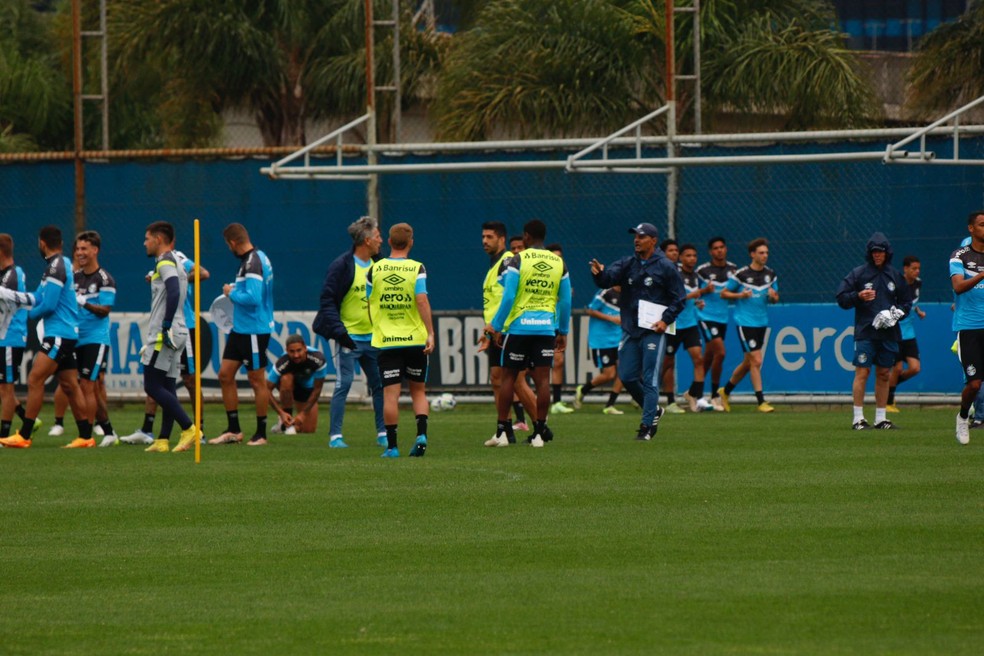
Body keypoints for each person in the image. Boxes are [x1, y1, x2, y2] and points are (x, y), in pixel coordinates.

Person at [590, 222, 686, 441]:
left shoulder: (666, 266)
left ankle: (646, 427)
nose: (636, 240)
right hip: (631, 329)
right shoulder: (627, 263)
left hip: (653, 329)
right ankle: (654, 410)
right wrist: (599, 273)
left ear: (653, 241)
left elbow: (679, 298)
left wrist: (665, 320)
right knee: (626, 376)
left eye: (642, 236)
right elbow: (608, 279)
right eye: (635, 236)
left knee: (650, 378)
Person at [0, 226, 92, 448]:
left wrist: (30, 314)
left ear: (42, 243)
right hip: (64, 332)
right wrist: (13, 296)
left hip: (59, 333)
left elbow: (48, 304)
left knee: (35, 379)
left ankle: (25, 435)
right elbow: (38, 297)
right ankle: (85, 437)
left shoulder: (56, 266)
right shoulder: (57, 265)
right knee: (70, 384)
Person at [485, 219, 571, 447]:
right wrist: (562, 330)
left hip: (519, 327)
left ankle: (502, 432)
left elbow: (509, 296)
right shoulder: (558, 262)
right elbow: (566, 300)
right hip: (545, 328)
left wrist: (497, 325)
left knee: (509, 378)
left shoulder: (518, 259)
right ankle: (540, 433)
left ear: (526, 237)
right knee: (543, 381)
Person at [312, 216, 387, 449]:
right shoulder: (342, 266)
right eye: (377, 236)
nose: (381, 240)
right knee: (343, 384)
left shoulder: (380, 265)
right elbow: (327, 300)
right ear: (367, 240)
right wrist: (340, 333)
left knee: (380, 385)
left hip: (375, 338)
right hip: (350, 338)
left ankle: (383, 432)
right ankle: (335, 436)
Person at [121, 252, 209, 445]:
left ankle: (197, 429)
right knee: (160, 380)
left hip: (182, 325)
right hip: (166, 326)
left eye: (148, 239)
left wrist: (176, 278)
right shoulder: (161, 261)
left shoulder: (177, 257)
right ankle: (150, 430)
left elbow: (203, 273)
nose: (145, 243)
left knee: (188, 380)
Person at [367, 222, 435, 457]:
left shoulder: (374, 269)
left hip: (387, 341)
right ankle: (421, 434)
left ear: (388, 242)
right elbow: (421, 300)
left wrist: (377, 327)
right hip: (415, 339)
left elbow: (370, 304)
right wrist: (430, 333)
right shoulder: (417, 268)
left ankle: (392, 447)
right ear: (411, 242)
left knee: (390, 395)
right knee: (418, 391)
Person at [836, 232, 912, 431]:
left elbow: (906, 302)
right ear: (869, 253)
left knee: (884, 373)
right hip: (866, 331)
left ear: (887, 253)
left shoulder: (894, 275)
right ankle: (858, 418)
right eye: (874, 252)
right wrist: (858, 296)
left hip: (889, 333)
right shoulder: (859, 274)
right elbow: (841, 297)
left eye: (881, 251)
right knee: (863, 371)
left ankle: (881, 418)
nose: (877, 255)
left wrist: (895, 314)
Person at [209, 223, 274, 446]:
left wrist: (231, 293)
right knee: (225, 375)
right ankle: (234, 430)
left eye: (228, 245)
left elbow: (253, 298)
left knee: (256, 380)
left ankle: (261, 433)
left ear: (233, 242)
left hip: (254, 330)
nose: (229, 249)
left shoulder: (252, 263)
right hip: (240, 329)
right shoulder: (256, 258)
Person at [140, 221, 202, 453]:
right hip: (180, 328)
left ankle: (189, 427)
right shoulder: (176, 260)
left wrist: (165, 325)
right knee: (168, 385)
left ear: (158, 239)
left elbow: (174, 290)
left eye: (147, 238)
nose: (144, 243)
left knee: (151, 385)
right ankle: (163, 439)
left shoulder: (165, 260)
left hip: (165, 331)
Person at [479, 221, 538, 446]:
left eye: (490, 237)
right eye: (483, 237)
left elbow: (511, 297)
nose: (485, 241)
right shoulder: (495, 264)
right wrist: (488, 332)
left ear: (501, 239)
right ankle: (505, 432)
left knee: (517, 381)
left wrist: (500, 326)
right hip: (496, 331)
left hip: (506, 330)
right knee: (497, 379)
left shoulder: (506, 262)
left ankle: (541, 428)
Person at [66, 232, 120, 446]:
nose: (79, 253)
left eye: (84, 249)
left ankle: (86, 436)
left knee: (88, 385)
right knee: (84, 387)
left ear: (95, 250)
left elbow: (105, 310)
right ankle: (108, 431)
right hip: (75, 337)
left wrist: (85, 303)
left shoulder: (105, 279)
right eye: (77, 249)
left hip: (95, 339)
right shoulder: (75, 277)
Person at [717, 238, 780, 413]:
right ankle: (761, 401)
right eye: (761, 253)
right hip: (745, 322)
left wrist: (773, 297)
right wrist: (740, 296)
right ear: (752, 254)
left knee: (748, 362)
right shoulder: (741, 274)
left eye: (766, 253)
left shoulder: (771, 275)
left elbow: (775, 298)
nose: (765, 256)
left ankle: (725, 391)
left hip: (762, 322)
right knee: (757, 360)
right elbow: (723, 293)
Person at [663, 243, 710, 413]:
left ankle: (696, 396)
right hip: (672, 324)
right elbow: (670, 297)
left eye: (694, 256)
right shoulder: (672, 273)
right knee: (667, 363)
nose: (692, 259)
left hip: (690, 324)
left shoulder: (696, 276)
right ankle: (669, 401)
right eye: (688, 255)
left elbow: (690, 298)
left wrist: (698, 302)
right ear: (681, 258)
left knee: (698, 359)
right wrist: (693, 295)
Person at [951, 211, 984, 444]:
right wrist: (981, 275)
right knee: (974, 384)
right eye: (982, 224)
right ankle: (963, 417)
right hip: (969, 327)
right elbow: (958, 287)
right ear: (971, 228)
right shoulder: (959, 256)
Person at [696, 237, 737, 410]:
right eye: (715, 248)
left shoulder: (734, 269)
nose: (719, 250)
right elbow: (692, 291)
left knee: (709, 356)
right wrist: (700, 298)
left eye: (722, 247)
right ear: (710, 252)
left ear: (726, 249)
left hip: (723, 318)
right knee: (720, 353)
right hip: (706, 317)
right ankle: (714, 395)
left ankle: (694, 391)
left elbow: (738, 289)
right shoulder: (702, 271)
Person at [0, 234, 33, 440]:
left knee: (6, 387)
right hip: (3, 337)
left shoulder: (12, 274)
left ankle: (3, 435)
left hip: (11, 337)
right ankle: (24, 417)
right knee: (3, 387)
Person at [574, 286, 624, 415]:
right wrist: (612, 318)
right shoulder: (606, 293)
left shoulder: (628, 293)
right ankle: (583, 390)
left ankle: (610, 405)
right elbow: (590, 310)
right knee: (609, 374)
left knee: (624, 372)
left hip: (619, 338)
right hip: (602, 339)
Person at [267, 334, 327, 434]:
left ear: (305, 348)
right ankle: (287, 423)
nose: (296, 355)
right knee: (286, 379)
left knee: (308, 430)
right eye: (292, 351)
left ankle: (284, 426)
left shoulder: (318, 359)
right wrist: (281, 413)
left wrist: (303, 414)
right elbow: (266, 389)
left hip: (307, 390)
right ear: (287, 350)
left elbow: (317, 389)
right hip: (289, 387)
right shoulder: (282, 362)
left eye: (299, 350)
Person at [886, 255, 924, 413]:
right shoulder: (897, 285)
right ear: (905, 269)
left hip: (910, 334)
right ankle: (888, 402)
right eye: (914, 268)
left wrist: (918, 311)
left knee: (915, 368)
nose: (917, 271)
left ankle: (889, 386)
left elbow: (912, 302)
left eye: (918, 268)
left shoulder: (918, 283)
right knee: (897, 367)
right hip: (896, 333)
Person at [546, 242, 574, 414]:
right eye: (554, 257)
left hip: (557, 326)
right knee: (529, 368)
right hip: (543, 325)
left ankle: (556, 401)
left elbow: (566, 300)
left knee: (558, 362)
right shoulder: (542, 276)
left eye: (560, 257)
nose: (558, 260)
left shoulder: (563, 276)